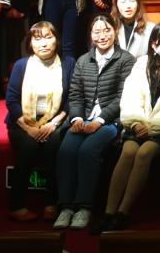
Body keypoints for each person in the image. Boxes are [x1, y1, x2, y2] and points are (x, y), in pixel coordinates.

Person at [98, 22, 160, 232]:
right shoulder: (142, 64)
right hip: (138, 124)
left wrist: (153, 127)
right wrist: (136, 121)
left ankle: (123, 212)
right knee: (128, 151)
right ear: (154, 44)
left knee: (144, 152)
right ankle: (109, 212)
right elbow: (131, 96)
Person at [53, 15, 135, 230]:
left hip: (110, 121)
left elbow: (123, 97)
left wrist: (99, 120)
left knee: (87, 150)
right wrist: (77, 118)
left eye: (107, 30)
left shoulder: (126, 59)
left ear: (115, 31)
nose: (102, 36)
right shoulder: (83, 60)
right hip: (84, 118)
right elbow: (75, 94)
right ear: (90, 35)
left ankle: (84, 207)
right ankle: (66, 207)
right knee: (66, 150)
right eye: (96, 31)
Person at [5, 21, 75, 222]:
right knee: (28, 146)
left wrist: (53, 124)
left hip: (55, 120)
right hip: (22, 122)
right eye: (37, 39)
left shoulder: (68, 63)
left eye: (48, 37)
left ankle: (51, 202)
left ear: (57, 40)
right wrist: (29, 129)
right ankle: (16, 205)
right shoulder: (22, 65)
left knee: (54, 144)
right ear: (30, 43)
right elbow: (11, 100)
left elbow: (71, 99)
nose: (43, 43)